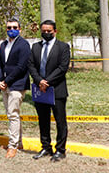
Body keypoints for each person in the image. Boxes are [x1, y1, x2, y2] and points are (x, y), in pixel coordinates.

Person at [29, 20, 70, 162]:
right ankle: (46, 147)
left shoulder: (63, 47)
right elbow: (31, 66)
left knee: (60, 121)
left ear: (55, 31)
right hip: (40, 90)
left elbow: (62, 67)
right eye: (44, 31)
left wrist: (47, 82)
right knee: (43, 120)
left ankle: (60, 150)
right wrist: (39, 81)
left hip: (57, 90)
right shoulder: (35, 47)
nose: (46, 33)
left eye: (49, 31)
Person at [0, 18, 31, 158]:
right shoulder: (3, 44)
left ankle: (13, 146)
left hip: (17, 84)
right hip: (5, 85)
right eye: (9, 28)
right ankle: (18, 142)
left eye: (14, 27)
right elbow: (0, 65)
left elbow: (21, 67)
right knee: (13, 115)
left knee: (13, 114)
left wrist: (6, 80)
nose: (11, 30)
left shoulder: (24, 45)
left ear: (20, 29)